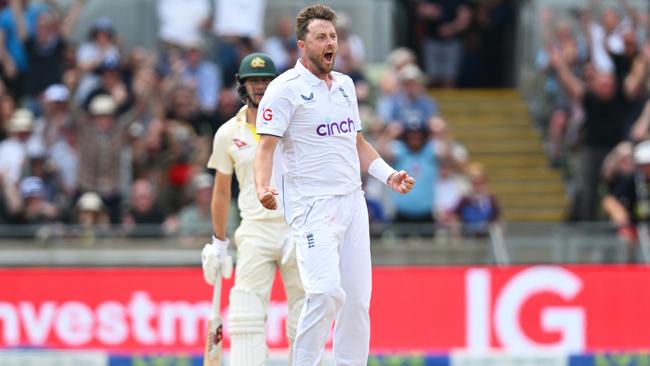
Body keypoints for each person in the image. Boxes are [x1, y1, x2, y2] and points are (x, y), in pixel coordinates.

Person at [253, 5, 415, 364]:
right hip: (312, 206)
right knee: (326, 293)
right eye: (321, 37)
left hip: (352, 204)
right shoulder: (283, 89)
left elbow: (357, 143)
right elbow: (265, 147)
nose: (330, 43)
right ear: (301, 44)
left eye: (333, 36)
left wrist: (388, 174)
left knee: (357, 302)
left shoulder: (344, 86)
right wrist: (262, 187)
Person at [200, 53, 305, 365]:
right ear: (242, 86)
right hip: (255, 232)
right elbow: (221, 192)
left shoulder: (294, 123)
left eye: (265, 80)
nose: (260, 86)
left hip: (296, 227)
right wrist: (219, 242)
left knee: (306, 316)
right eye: (253, 81)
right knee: (245, 317)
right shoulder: (227, 133)